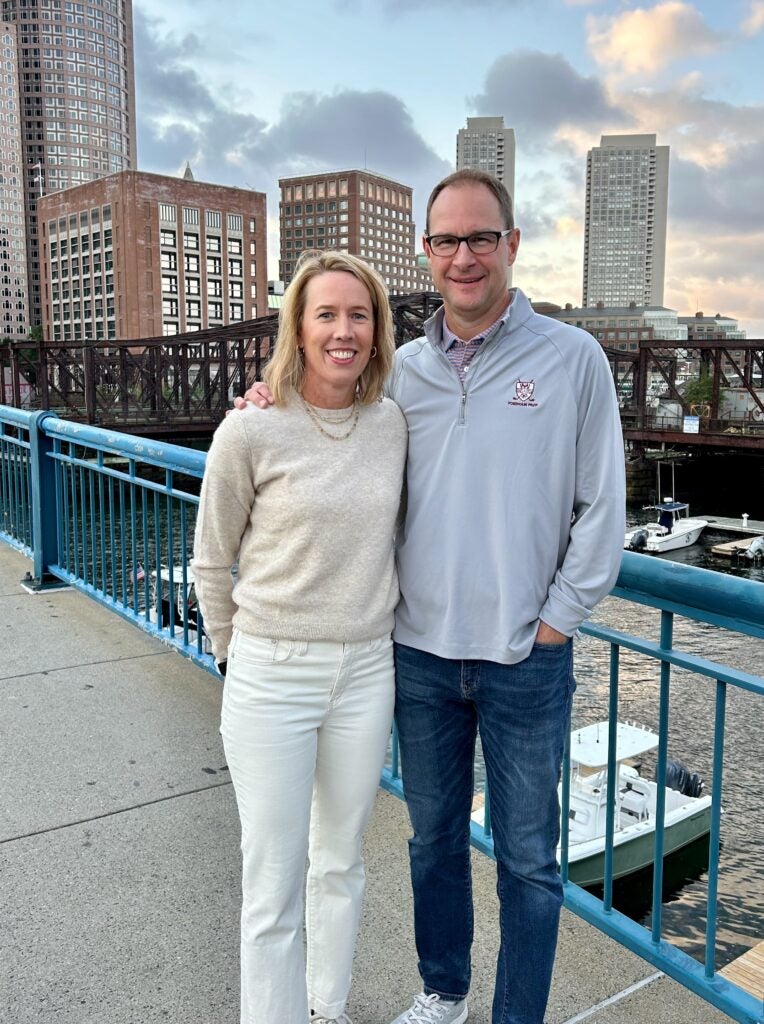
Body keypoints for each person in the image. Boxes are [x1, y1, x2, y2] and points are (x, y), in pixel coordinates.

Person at [240, 169, 625, 1024]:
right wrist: (265, 399)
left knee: (529, 860)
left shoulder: (573, 359)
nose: (463, 256)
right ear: (425, 251)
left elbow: (603, 510)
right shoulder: (398, 374)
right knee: (432, 844)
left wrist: (559, 623)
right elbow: (322, 423)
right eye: (446, 240)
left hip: (527, 658)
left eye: (480, 237)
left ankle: (514, 1014)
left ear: (512, 245)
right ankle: (444, 991)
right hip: (415, 654)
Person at [193, 250, 408, 1024]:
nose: (343, 331)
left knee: (341, 862)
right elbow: (210, 560)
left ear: (377, 329)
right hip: (271, 672)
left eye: (359, 315)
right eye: (327, 314)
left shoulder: (391, 421)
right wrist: (234, 655)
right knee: (274, 880)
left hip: (365, 669)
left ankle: (329, 1008)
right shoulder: (250, 428)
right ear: (299, 326)